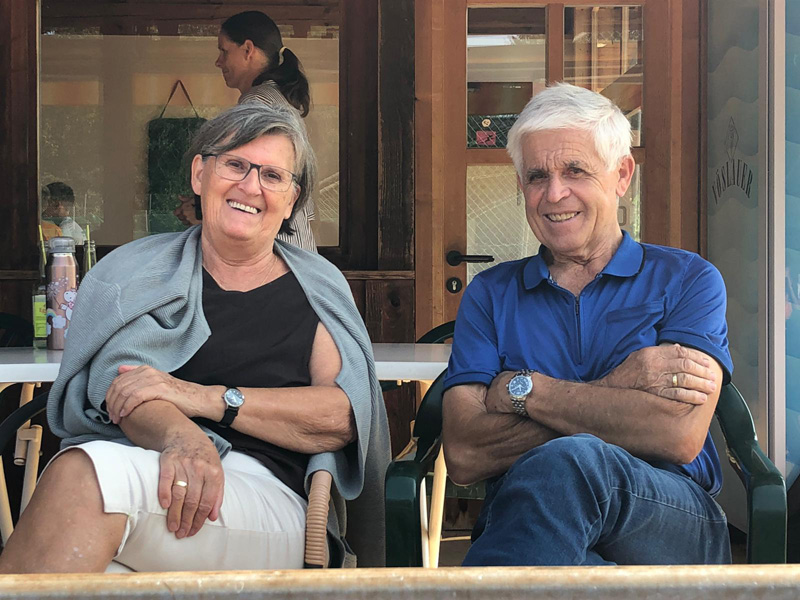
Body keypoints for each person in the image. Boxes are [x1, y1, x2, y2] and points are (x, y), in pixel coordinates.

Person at [0, 104, 389, 573]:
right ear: (200, 174)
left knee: (86, 477)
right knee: (98, 564)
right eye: (235, 164)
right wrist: (184, 438)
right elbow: (121, 387)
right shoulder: (137, 271)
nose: (251, 186)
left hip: (272, 499)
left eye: (272, 175)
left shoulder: (318, 288)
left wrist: (207, 399)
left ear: (291, 200)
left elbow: (341, 416)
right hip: (152, 466)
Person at [442, 83, 733, 566]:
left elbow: (677, 435)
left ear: (622, 175)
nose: (554, 194)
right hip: (530, 521)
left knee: (572, 463)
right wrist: (620, 387)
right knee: (573, 562)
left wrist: (526, 391)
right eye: (537, 176)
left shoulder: (688, 280)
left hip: (670, 516)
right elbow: (465, 453)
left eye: (575, 170)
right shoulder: (490, 294)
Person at [206, 10, 317, 252]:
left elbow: (247, 185)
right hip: (293, 246)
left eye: (224, 51)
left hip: (274, 249)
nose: (218, 61)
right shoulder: (276, 98)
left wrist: (202, 208)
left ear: (248, 49)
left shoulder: (258, 104)